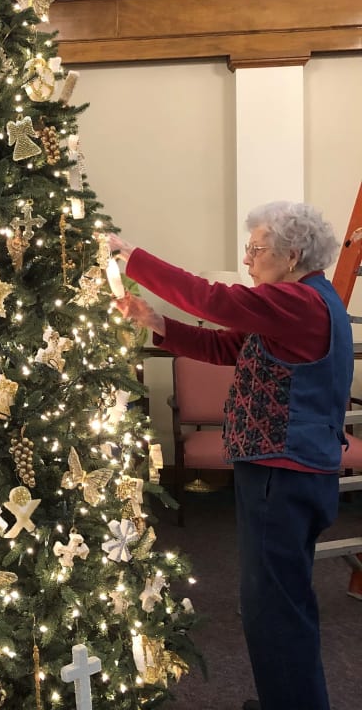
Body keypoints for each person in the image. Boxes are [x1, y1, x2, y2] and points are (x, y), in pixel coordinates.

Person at [107, 201, 353, 710]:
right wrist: (155, 321)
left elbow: (215, 301)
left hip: (281, 474)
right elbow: (228, 348)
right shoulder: (297, 303)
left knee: (272, 607)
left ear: (293, 255)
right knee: (281, 598)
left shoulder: (300, 304)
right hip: (286, 470)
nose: (248, 260)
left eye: (257, 250)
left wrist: (132, 259)